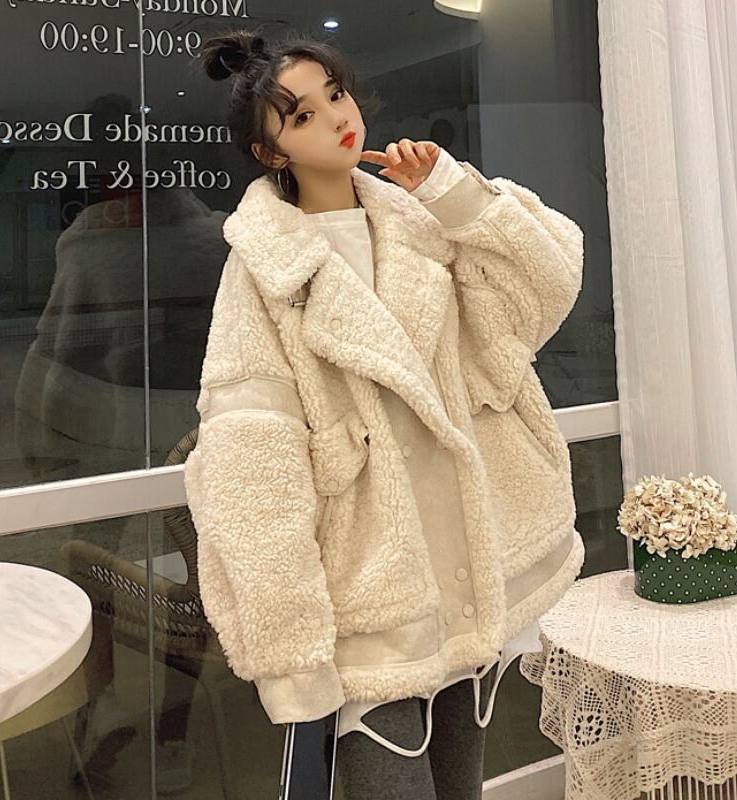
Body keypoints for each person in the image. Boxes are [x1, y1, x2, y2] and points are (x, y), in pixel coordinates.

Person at [187, 26, 586, 799]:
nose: (338, 116)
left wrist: (452, 193)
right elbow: (252, 470)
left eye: (336, 94)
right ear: (271, 152)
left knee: (461, 786)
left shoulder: (421, 224)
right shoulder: (266, 272)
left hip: (466, 573)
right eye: (303, 115)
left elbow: (545, 288)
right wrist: (293, 654)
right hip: (369, 598)